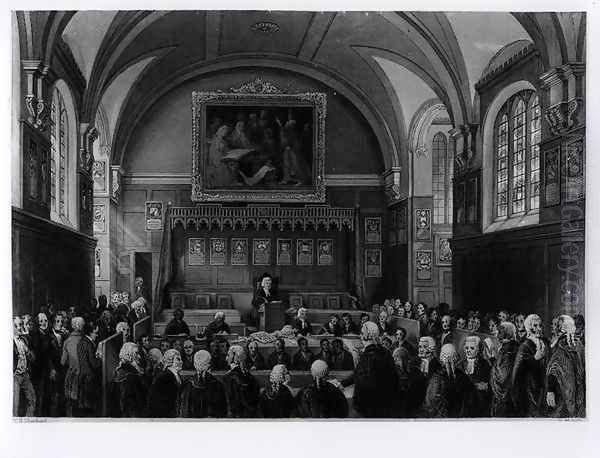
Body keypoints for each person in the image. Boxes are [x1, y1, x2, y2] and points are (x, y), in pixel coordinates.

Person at [352, 322, 399, 418]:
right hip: (385, 402)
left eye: (362, 333)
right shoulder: (384, 351)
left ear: (368, 335)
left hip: (371, 405)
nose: (360, 335)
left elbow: (361, 379)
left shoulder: (369, 354)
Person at [545, 315, 585, 417]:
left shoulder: (560, 346)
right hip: (576, 391)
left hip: (562, 390)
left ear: (561, 328)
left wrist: (550, 391)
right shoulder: (579, 345)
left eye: (558, 325)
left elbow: (553, 368)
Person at [511, 314, 547, 417]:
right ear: (529, 328)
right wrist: (534, 359)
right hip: (529, 389)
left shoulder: (544, 342)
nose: (539, 328)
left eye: (540, 325)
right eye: (535, 326)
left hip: (542, 387)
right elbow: (518, 370)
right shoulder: (525, 346)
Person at [180, 350, 227, 418]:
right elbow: (185, 411)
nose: (200, 367)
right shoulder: (188, 384)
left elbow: (221, 411)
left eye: (203, 364)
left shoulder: (218, 385)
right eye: (198, 363)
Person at [109, 342, 147, 417]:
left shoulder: (125, 370)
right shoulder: (129, 374)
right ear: (129, 356)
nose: (139, 357)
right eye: (136, 353)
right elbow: (129, 403)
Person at [489, 321, 519, 417]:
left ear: (507, 333)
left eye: (500, 332)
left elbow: (502, 377)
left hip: (505, 396)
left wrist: (493, 358)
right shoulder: (513, 346)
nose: (497, 335)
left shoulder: (507, 351)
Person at [30, 312, 57, 416]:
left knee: (48, 397)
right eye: (41, 321)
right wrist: (51, 368)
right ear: (37, 322)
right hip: (40, 371)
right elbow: (42, 355)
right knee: (40, 397)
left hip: (47, 370)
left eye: (45, 320)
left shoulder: (48, 334)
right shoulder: (36, 336)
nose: (44, 323)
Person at [222, 345, 260, 418]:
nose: (226, 358)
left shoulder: (228, 377)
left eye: (228, 355)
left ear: (235, 358)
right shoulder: (249, 376)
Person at [460, 336, 491, 417]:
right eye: (466, 348)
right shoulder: (460, 365)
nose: (468, 351)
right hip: (463, 402)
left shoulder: (485, 364)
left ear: (478, 350)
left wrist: (486, 386)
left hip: (479, 402)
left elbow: (489, 383)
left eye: (472, 348)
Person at [76, 320, 102, 417]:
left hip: (83, 376)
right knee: (90, 408)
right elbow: (94, 364)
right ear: (90, 332)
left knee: (83, 405)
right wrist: (100, 358)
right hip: (90, 378)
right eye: (96, 333)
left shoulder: (81, 341)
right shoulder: (89, 344)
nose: (97, 335)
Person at [148, 349, 183, 418]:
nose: (181, 362)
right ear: (170, 361)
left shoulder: (176, 376)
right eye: (178, 359)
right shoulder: (163, 378)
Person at [62, 316, 85, 416]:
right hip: (83, 376)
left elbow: (63, 361)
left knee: (71, 404)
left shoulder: (67, 341)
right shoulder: (85, 341)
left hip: (72, 374)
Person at [13, 316, 36, 417]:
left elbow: (31, 355)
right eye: (15, 326)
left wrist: (30, 354)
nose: (19, 328)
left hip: (25, 374)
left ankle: (27, 423)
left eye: (20, 325)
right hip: (15, 377)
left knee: (32, 400)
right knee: (15, 405)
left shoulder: (23, 340)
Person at [392, 347, 411, 417]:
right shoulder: (393, 373)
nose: (396, 361)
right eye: (395, 358)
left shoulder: (409, 374)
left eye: (398, 359)